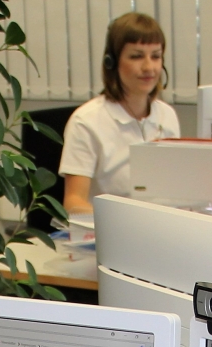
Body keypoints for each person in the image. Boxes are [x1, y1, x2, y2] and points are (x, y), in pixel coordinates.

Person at [59, 12, 177, 217]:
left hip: (160, 230)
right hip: (108, 234)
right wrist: (126, 221)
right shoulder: (86, 121)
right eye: (136, 56)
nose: (149, 67)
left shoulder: (167, 116)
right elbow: (73, 203)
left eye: (156, 56)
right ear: (111, 62)